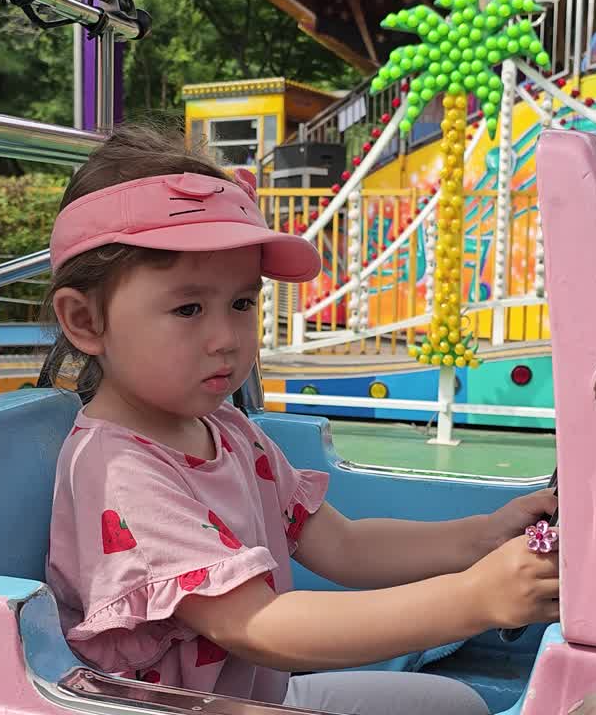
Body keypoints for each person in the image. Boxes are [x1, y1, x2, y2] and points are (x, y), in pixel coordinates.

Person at [43, 123, 559, 715]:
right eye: (188, 307)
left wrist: (484, 535)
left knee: (457, 705)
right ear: (85, 321)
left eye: (241, 303)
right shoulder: (120, 471)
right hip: (184, 708)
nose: (227, 339)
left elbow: (343, 544)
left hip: (257, 692)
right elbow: (258, 625)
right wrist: (476, 599)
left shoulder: (228, 432)